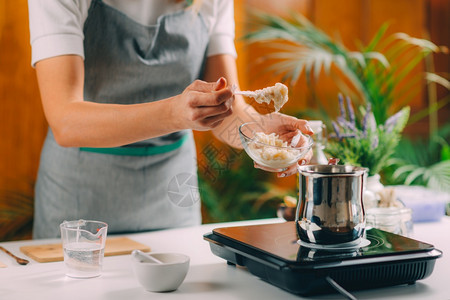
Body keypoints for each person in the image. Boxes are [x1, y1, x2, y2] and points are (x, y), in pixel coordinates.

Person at [28, 0, 314, 239]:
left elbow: (228, 112)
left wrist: (264, 136)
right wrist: (174, 114)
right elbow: (66, 121)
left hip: (174, 196)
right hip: (79, 201)